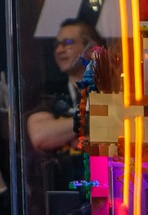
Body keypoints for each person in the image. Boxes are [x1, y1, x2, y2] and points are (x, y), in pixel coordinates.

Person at [27, 18, 103, 154]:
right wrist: (89, 121)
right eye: (57, 45)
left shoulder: (110, 89)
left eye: (68, 43)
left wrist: (64, 132)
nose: (59, 50)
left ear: (91, 49)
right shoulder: (50, 91)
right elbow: (40, 136)